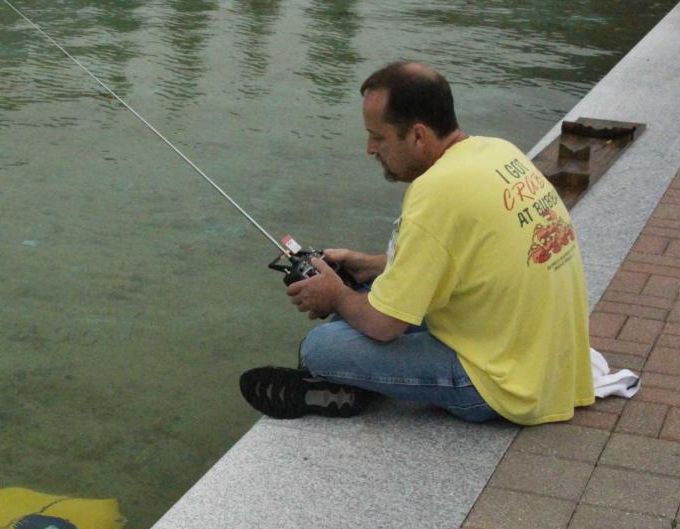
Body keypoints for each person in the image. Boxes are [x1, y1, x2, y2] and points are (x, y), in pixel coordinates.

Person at [239, 61, 594, 425]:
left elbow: (383, 325)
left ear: (418, 135)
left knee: (322, 347)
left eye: (378, 137)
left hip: (505, 384)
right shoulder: (497, 151)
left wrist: (335, 296)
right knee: (366, 288)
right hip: (550, 361)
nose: (370, 149)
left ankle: (349, 384)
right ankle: (358, 380)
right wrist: (370, 265)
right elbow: (466, 259)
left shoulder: (435, 192)